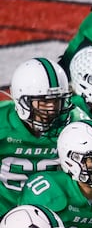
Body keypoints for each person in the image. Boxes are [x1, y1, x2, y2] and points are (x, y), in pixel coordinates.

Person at [0, 59, 68, 213]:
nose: (51, 109)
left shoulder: (73, 122)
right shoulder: (3, 122)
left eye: (56, 101)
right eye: (44, 102)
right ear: (22, 100)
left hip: (52, 211)